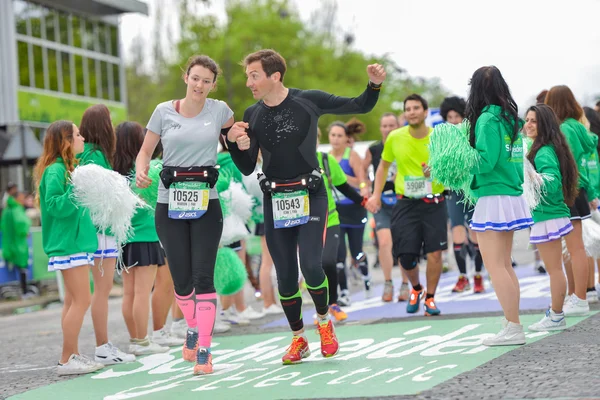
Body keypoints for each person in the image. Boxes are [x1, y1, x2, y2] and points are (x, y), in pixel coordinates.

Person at [226, 49, 384, 364]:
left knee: (311, 266)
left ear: (275, 76)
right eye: (247, 76)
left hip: (310, 195)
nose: (248, 83)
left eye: (254, 75)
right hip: (275, 199)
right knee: (283, 277)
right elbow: (245, 167)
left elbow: (359, 105)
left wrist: (374, 85)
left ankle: (324, 322)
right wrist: (234, 142)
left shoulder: (307, 100)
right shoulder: (252, 113)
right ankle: (299, 338)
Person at [136, 55, 234, 375]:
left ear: (213, 84)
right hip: (170, 203)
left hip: (208, 201)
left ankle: (204, 348)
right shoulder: (164, 111)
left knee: (203, 276)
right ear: (186, 77)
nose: (200, 85)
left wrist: (242, 141)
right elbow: (145, 152)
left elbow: (236, 137)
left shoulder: (219, 110)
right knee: (181, 280)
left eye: (207, 81)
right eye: (195, 78)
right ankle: (192, 326)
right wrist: (141, 172)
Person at [465, 66, 533, 346]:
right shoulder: (510, 119)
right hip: (510, 194)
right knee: (504, 265)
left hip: (494, 197)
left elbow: (486, 160)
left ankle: (514, 328)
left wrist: (459, 161)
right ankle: (511, 323)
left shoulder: (487, 120)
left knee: (496, 267)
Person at [366, 94, 445, 317]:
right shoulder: (395, 137)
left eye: (416, 108)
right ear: (405, 114)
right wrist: (376, 195)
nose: (412, 112)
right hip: (406, 203)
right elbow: (382, 167)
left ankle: (430, 298)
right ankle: (416, 288)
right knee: (405, 256)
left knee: (435, 253)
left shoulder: (438, 137)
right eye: (408, 108)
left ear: (426, 111)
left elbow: (452, 170)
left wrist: (436, 171)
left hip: (434, 202)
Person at [34, 120, 104, 375]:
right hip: (68, 244)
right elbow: (53, 205)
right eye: (76, 135)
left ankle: (71, 355)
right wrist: (76, 187)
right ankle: (67, 358)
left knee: (74, 301)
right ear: (64, 141)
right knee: (82, 300)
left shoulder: (64, 168)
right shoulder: (56, 170)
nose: (82, 137)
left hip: (73, 243)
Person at [77, 104, 136, 366]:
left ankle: (99, 346)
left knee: (92, 293)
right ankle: (102, 346)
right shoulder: (95, 156)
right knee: (100, 292)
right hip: (102, 232)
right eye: (109, 121)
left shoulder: (87, 154)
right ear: (103, 125)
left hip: (94, 232)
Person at [114, 121, 171, 355]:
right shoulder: (146, 172)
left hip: (125, 239)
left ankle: (135, 339)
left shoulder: (117, 176)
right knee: (141, 293)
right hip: (146, 237)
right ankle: (142, 341)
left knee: (129, 293)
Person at [524, 105, 579, 331]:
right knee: (555, 268)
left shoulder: (544, 150)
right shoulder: (544, 147)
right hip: (548, 214)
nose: (528, 124)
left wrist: (531, 176)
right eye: (527, 120)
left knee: (554, 269)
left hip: (548, 215)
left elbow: (552, 181)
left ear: (544, 124)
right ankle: (555, 312)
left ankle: (556, 315)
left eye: (533, 121)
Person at [545, 85, 594, 316]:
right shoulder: (578, 126)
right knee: (577, 249)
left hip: (570, 190)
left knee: (575, 249)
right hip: (579, 190)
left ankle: (580, 298)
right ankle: (579, 296)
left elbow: (566, 162)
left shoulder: (565, 128)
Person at [316, 127, 366, 322]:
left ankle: (333, 303)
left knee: (330, 260)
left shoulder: (326, 161)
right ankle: (321, 310)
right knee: (314, 267)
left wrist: (365, 201)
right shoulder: (291, 163)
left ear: (318, 141)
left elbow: (344, 187)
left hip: (331, 219)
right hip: (304, 223)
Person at [363, 113, 410, 302]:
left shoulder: (405, 144)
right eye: (385, 125)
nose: (388, 129)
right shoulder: (374, 149)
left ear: (397, 126)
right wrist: (365, 187)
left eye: (392, 125)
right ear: (380, 128)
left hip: (402, 199)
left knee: (403, 243)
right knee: (384, 242)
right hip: (382, 201)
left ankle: (406, 284)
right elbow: (362, 169)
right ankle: (388, 282)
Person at [439, 96, 485, 293]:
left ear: (464, 116)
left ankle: (478, 276)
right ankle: (462, 277)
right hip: (452, 191)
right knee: (456, 232)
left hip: (472, 190)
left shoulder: (472, 134)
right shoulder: (441, 138)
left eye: (457, 116)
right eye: (449, 116)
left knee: (475, 234)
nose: (453, 120)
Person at [328, 119, 371, 302]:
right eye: (333, 135)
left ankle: (366, 276)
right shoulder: (326, 156)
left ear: (346, 138)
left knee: (356, 251)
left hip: (354, 209)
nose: (336, 139)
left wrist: (342, 179)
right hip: (336, 211)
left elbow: (363, 182)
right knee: (338, 253)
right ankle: (344, 292)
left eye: (340, 136)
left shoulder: (352, 155)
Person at [0, 189, 31, 298]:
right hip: (19, 244)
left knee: (15, 268)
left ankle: (20, 291)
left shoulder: (7, 209)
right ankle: (24, 292)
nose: (24, 200)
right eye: (22, 197)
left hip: (9, 243)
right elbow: (22, 224)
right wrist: (26, 231)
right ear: (17, 198)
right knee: (22, 267)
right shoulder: (17, 209)